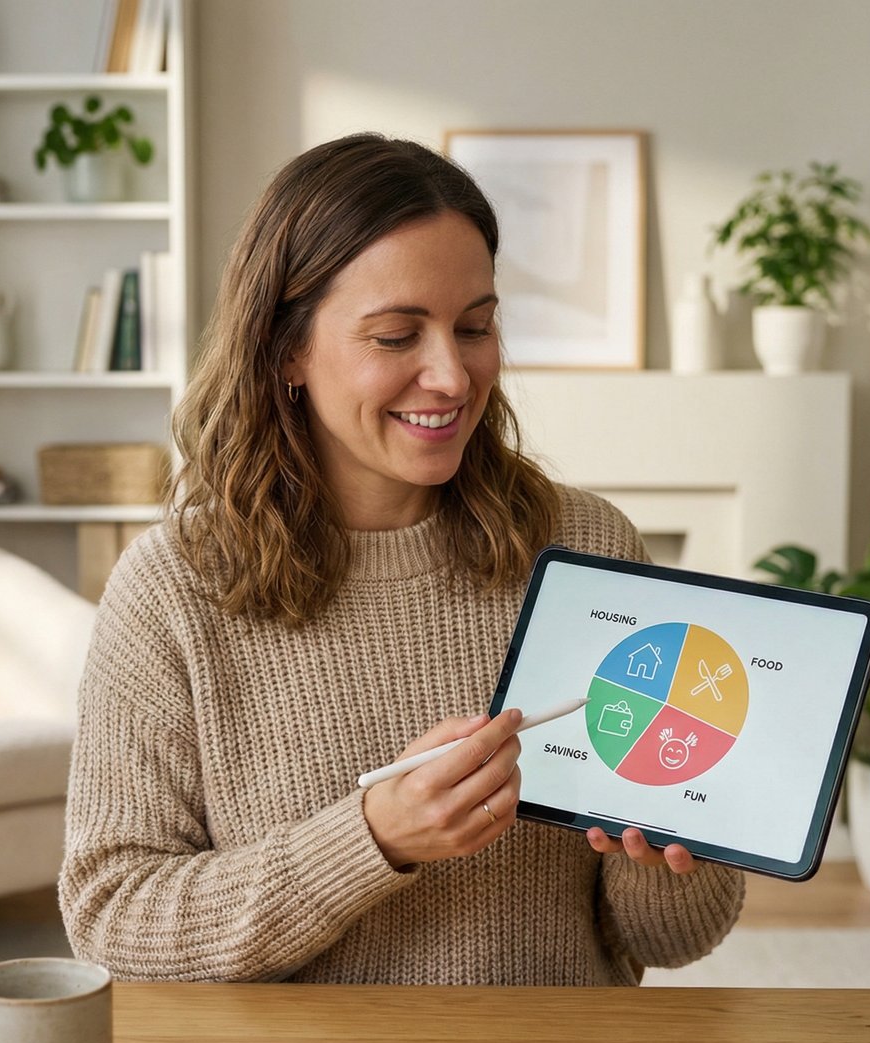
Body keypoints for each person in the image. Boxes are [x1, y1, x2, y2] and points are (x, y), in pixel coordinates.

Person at [60, 133, 743, 984]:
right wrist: (369, 838)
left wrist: (667, 852)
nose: (453, 376)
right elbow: (112, 916)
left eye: (476, 327)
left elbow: (667, 940)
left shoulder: (589, 552)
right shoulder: (173, 589)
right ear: (287, 351)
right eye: (395, 337)